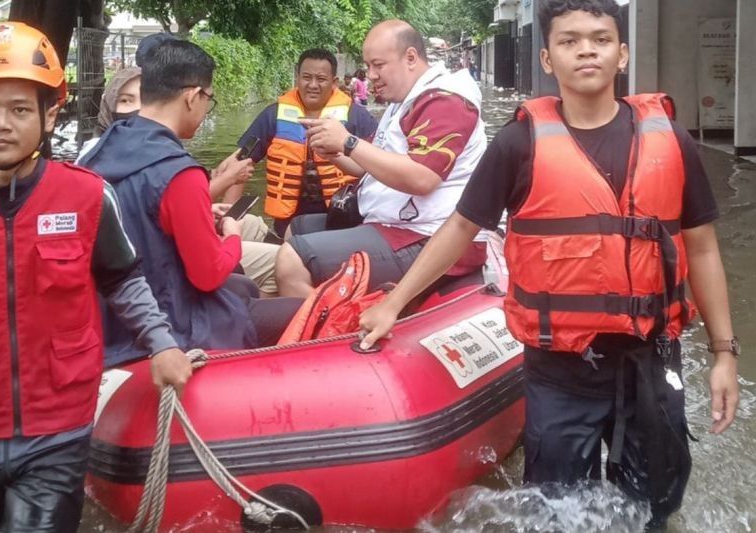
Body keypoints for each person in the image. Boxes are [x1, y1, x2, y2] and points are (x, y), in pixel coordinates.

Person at [359, 1, 740, 529]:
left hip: (651, 357)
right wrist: (394, 304)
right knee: (558, 515)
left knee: (655, 509)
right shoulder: (519, 143)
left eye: (601, 39)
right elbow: (460, 228)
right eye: (569, 40)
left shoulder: (672, 141)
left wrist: (724, 353)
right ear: (546, 57)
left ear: (623, 54)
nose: (587, 49)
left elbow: (701, 247)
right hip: (559, 367)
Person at [0, 22, 192, 532]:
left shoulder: (86, 196)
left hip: (56, 426)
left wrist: (162, 344)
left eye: (19, 109)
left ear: (50, 113)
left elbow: (123, 280)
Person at [80, 39, 301, 365]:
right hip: (171, 324)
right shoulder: (178, 173)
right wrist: (234, 236)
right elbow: (207, 275)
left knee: (243, 289)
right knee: (303, 309)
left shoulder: (101, 150)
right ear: (192, 96)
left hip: (112, 320)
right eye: (207, 100)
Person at [275, 20, 489, 299]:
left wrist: (348, 142)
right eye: (368, 66)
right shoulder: (403, 101)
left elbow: (423, 178)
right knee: (297, 227)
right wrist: (334, 152)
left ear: (410, 57)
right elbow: (369, 165)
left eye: (378, 65)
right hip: (395, 223)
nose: (371, 75)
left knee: (292, 261)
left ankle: (334, 333)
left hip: (428, 236)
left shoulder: (445, 101)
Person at [74, 66, 280, 298]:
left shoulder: (116, 152)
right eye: (126, 100)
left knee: (252, 226)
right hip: (167, 289)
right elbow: (207, 273)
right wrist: (231, 231)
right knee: (281, 263)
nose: (139, 110)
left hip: (155, 274)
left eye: (143, 99)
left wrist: (208, 207)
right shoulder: (100, 161)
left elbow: (152, 205)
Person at [235, 48, 378, 237]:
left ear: (334, 82)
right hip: (288, 220)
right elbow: (240, 163)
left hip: (343, 218)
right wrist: (231, 214)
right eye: (306, 77)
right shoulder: (273, 115)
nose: (313, 85)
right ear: (297, 77)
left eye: (321, 79)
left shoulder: (357, 117)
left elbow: (381, 167)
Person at [76, 66, 141, 161]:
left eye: (146, 100)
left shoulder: (166, 152)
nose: (138, 108)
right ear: (108, 103)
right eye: (125, 100)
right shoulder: (91, 156)